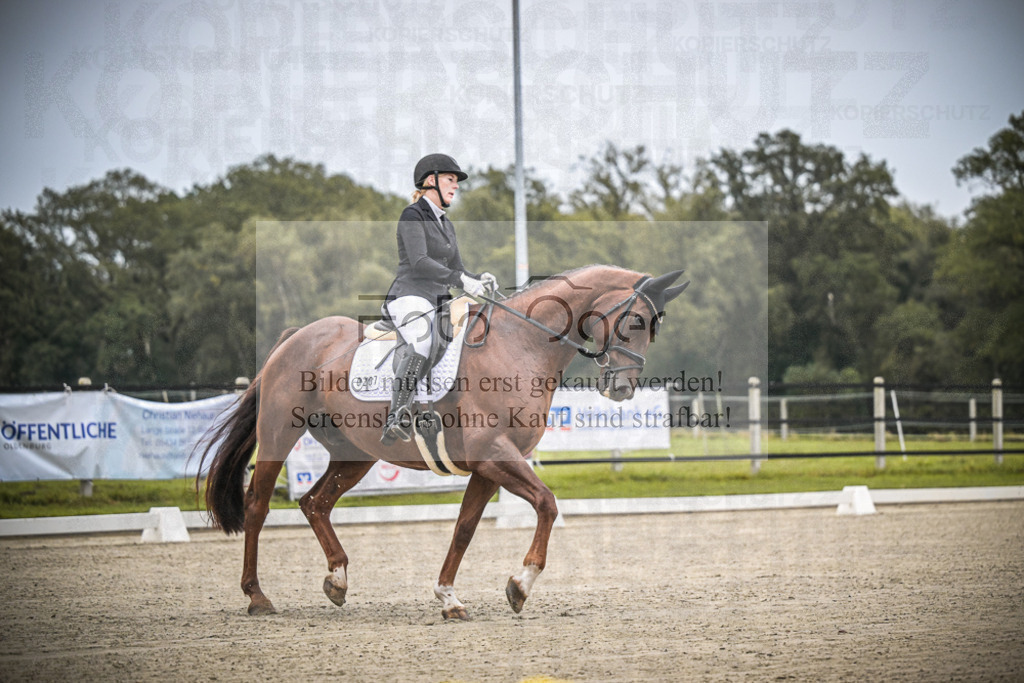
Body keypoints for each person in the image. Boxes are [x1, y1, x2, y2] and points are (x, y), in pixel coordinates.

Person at [380, 153, 496, 445]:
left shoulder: (447, 224)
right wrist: (460, 280)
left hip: (439, 300)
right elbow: (419, 261)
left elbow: (456, 269)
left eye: (456, 181)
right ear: (430, 181)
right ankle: (397, 414)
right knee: (422, 340)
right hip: (409, 295)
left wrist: (477, 279)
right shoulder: (412, 215)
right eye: (450, 179)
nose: (455, 186)